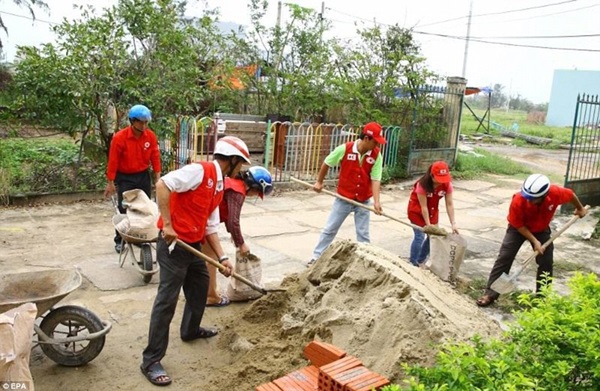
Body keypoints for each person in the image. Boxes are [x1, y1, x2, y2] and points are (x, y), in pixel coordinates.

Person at [140, 136, 251, 386]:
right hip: (172, 245)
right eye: (240, 164)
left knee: (200, 287)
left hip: (193, 245)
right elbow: (162, 184)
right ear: (232, 160)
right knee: (166, 301)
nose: (241, 169)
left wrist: (222, 258)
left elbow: (210, 226)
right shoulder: (199, 171)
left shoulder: (220, 186)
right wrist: (167, 224)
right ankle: (151, 360)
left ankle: (190, 330)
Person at [476, 174, 587, 307]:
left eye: (532, 199)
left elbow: (570, 195)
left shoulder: (555, 193)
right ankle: (490, 293)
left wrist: (580, 208)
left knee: (546, 261)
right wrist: (535, 241)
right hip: (518, 229)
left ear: (544, 196)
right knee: (505, 257)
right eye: (527, 197)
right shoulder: (518, 199)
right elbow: (518, 225)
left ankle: (542, 298)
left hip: (541, 229)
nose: (528, 201)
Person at [307, 122, 386, 266]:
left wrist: (376, 201)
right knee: (330, 229)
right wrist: (319, 182)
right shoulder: (345, 149)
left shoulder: (376, 155)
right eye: (375, 141)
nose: (377, 145)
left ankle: (365, 262)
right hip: (343, 198)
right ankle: (316, 258)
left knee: (363, 234)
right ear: (367, 139)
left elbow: (375, 178)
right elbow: (327, 163)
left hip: (363, 200)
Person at [204, 166, 273, 307]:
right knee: (210, 259)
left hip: (202, 218)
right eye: (257, 193)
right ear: (254, 187)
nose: (254, 196)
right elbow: (233, 221)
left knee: (202, 258)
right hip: (203, 221)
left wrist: (234, 235)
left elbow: (229, 216)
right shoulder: (237, 192)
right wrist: (241, 243)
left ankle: (203, 292)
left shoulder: (232, 183)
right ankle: (210, 296)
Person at [104, 104, 161, 253]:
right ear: (132, 121)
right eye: (141, 122)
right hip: (125, 178)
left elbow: (155, 156)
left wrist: (157, 177)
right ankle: (120, 239)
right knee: (124, 209)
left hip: (143, 176)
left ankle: (140, 235)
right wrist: (111, 182)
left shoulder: (150, 136)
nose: (144, 125)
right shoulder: (120, 138)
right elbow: (113, 161)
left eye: (146, 122)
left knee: (145, 207)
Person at [406, 161, 459, 267]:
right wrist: (428, 225)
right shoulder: (422, 185)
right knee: (420, 236)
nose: (441, 182)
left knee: (433, 237)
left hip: (432, 212)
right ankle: (413, 262)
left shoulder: (447, 185)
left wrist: (453, 223)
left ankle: (420, 260)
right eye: (439, 179)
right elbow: (423, 207)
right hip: (417, 211)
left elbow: (449, 204)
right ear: (432, 175)